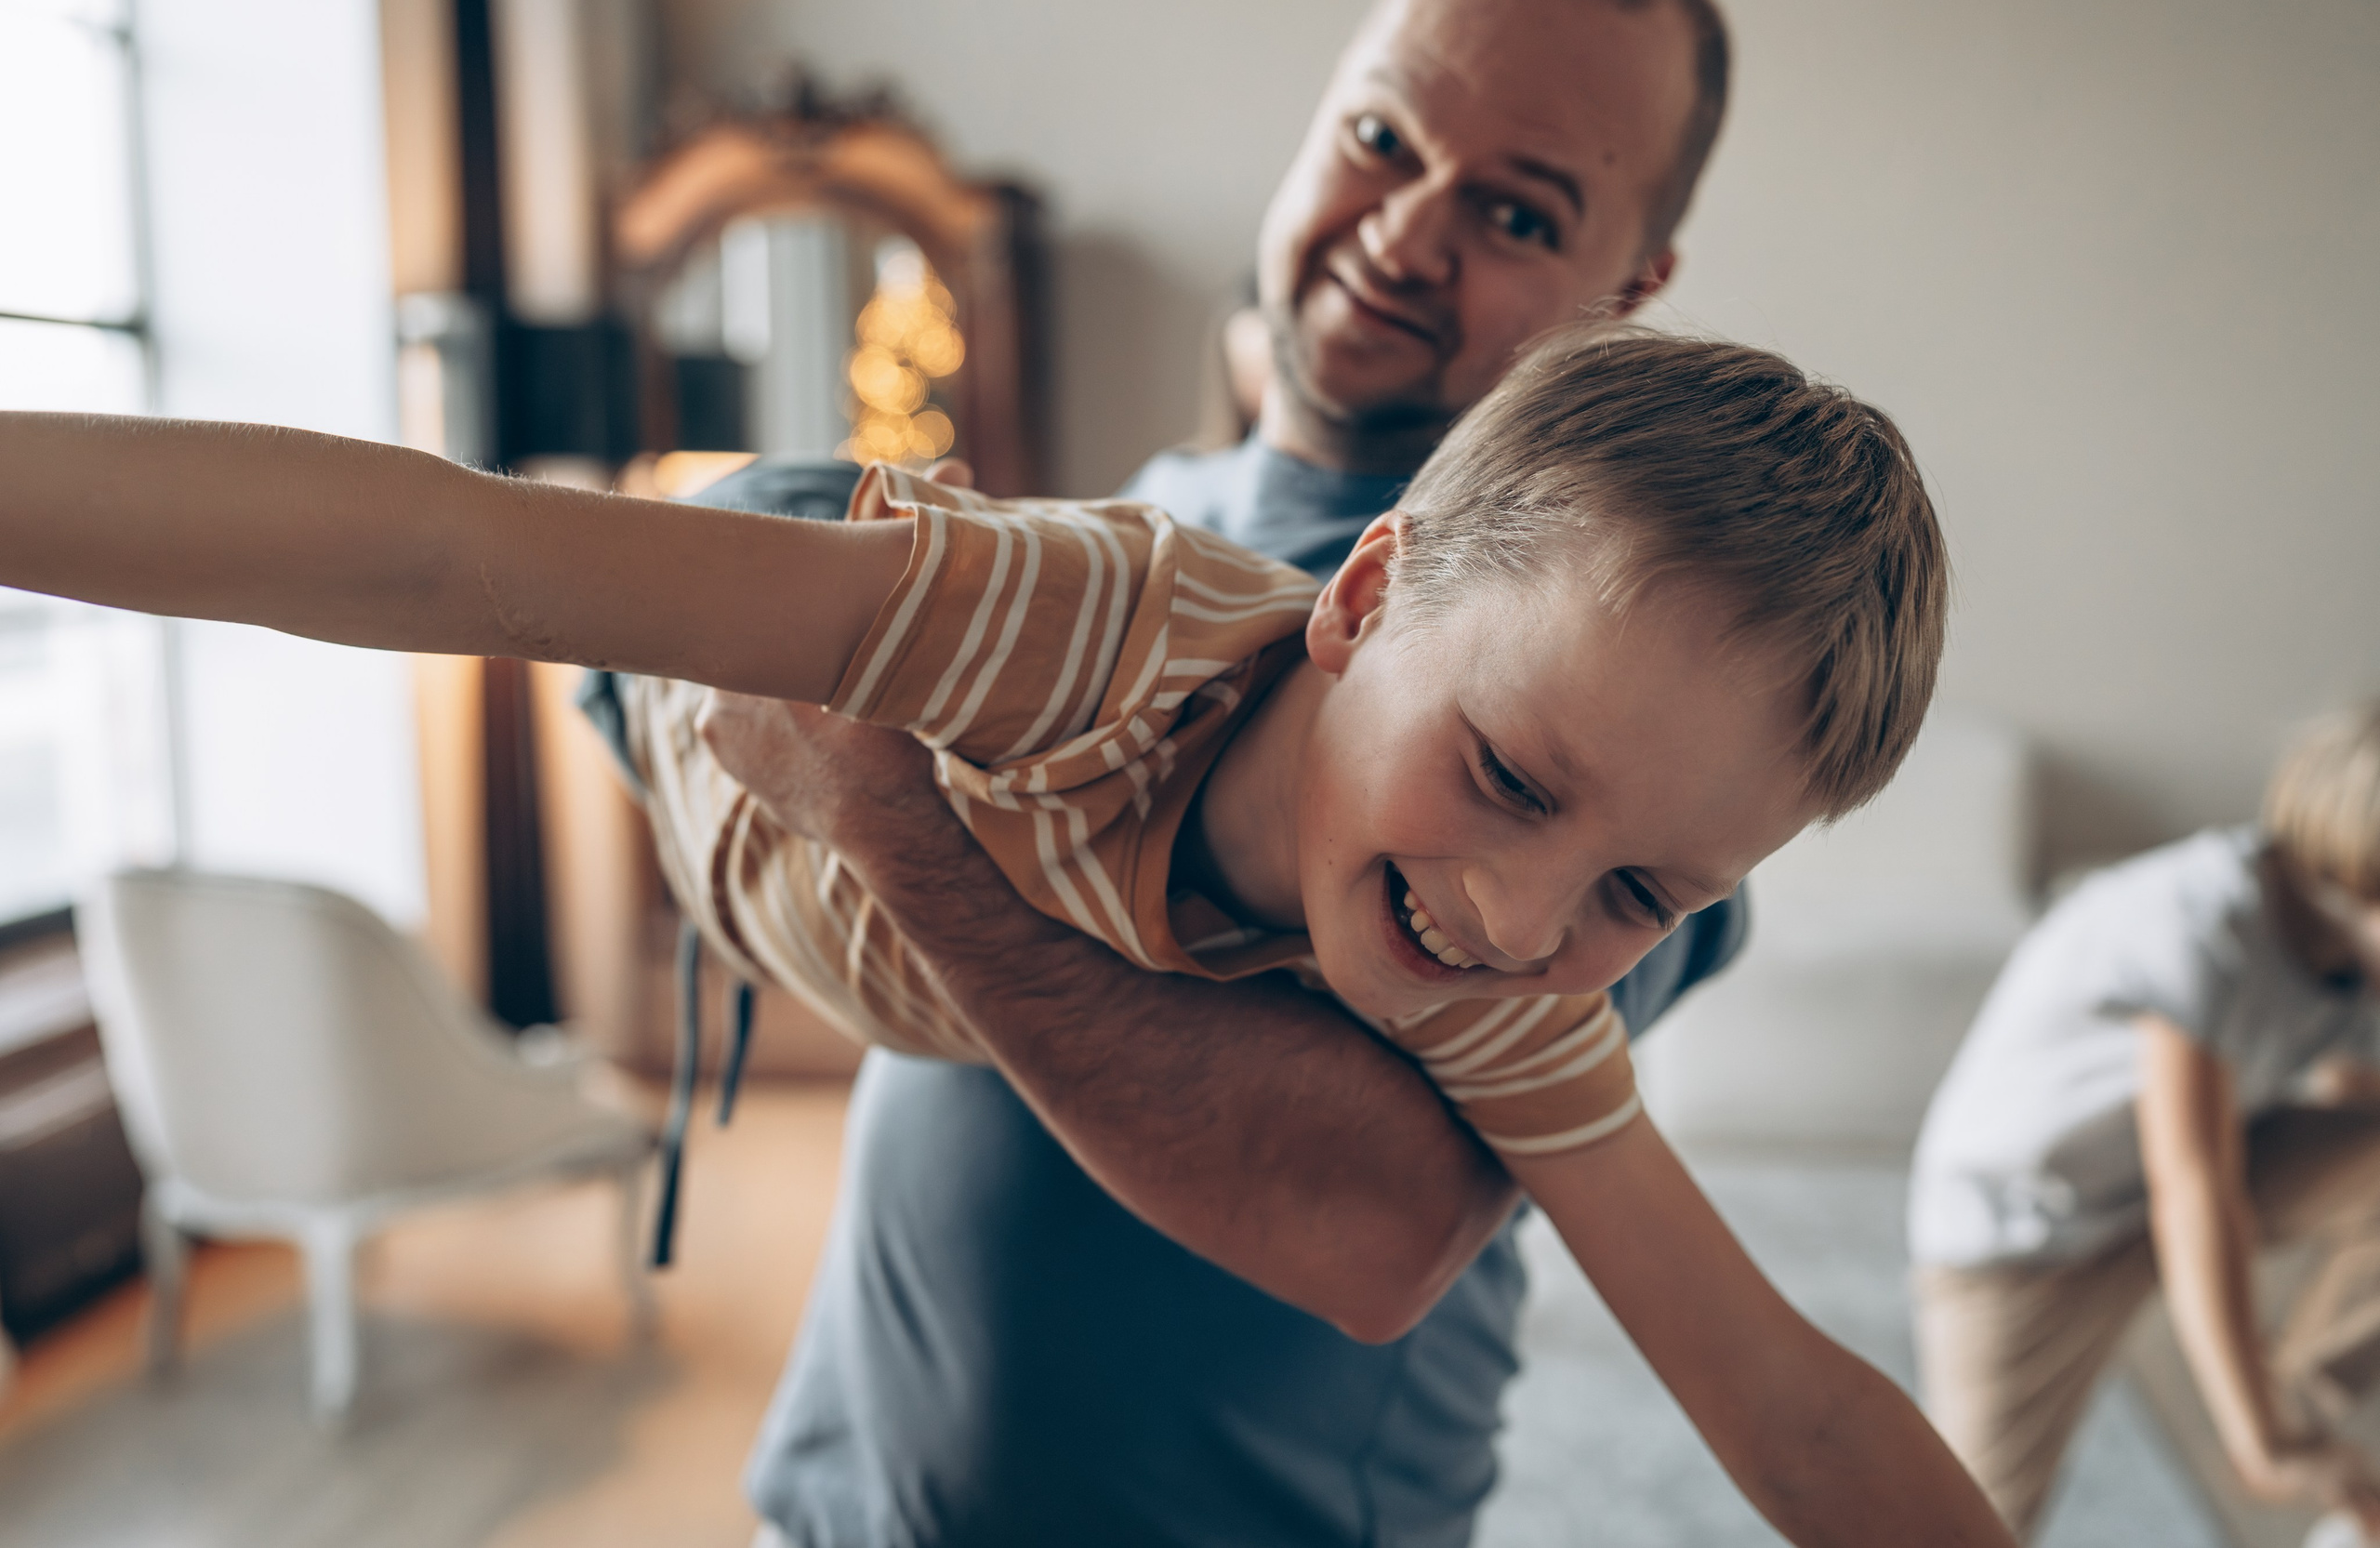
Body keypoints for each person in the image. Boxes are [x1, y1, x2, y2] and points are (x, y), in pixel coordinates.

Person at [0, 319, 2010, 1546]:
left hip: (886, 862)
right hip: (752, 754)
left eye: (1645, 899)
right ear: (1364, 592)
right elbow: (448, 544)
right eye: (1501, 773)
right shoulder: (1068, 632)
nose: (1514, 915)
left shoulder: (1506, 981)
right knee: (705, 559)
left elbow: (1788, 1398)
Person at [687, 0, 1759, 1541]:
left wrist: (890, 826)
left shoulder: (1585, 704)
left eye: (1519, 215)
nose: (1404, 233)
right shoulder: (1141, 520)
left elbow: (1373, 1220)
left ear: (1632, 284)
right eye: (1384, 136)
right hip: (843, 1500)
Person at [1910, 703, 2380, 1543]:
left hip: (2201, 1171)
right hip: (2024, 1230)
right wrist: (2256, 1437)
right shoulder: (2200, 921)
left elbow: (2351, 1097)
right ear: (2353, 879)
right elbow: (2191, 1186)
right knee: (1966, 1522)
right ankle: (2270, 1433)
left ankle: (2301, 1404)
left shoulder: (2359, 959)